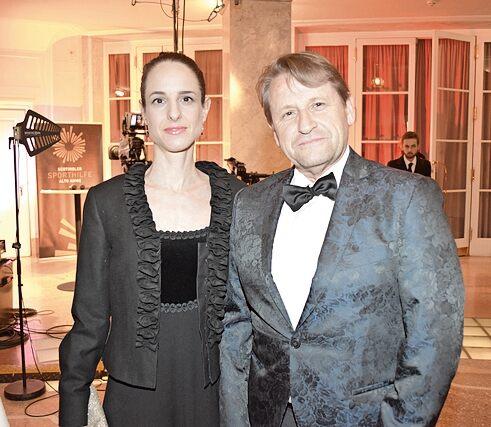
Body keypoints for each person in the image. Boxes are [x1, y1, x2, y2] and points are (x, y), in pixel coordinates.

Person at [219, 52, 464, 427]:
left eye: (318, 104)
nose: (305, 124)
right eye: (288, 113)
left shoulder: (407, 198)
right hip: (268, 415)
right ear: (274, 131)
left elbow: (435, 338)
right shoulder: (249, 204)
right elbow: (236, 326)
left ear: (348, 109)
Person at [59, 52, 244, 426]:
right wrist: (74, 409)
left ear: (205, 110)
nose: (174, 113)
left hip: (214, 398)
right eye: (159, 100)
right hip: (134, 401)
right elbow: (89, 322)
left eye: (186, 98)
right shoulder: (106, 203)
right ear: (144, 112)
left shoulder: (239, 199)